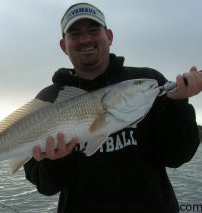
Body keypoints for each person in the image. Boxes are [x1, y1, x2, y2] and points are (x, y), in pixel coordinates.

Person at [24, 3, 202, 213]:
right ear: (63, 45)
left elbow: (177, 157)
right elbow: (46, 187)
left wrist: (179, 104)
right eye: (75, 34)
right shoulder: (49, 101)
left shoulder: (146, 83)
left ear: (109, 36)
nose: (85, 39)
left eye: (93, 30)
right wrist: (56, 161)